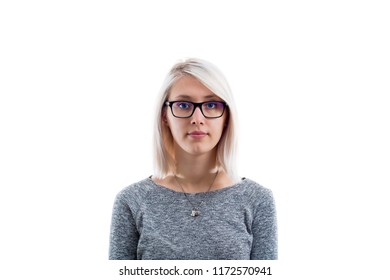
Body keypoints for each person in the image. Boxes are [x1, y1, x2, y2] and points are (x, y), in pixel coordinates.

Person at [109, 58, 278, 260]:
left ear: (226, 117)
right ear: (165, 116)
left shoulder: (257, 201)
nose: (197, 118)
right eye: (183, 105)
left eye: (212, 105)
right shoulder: (132, 201)